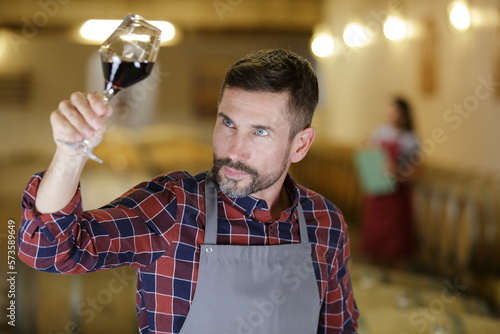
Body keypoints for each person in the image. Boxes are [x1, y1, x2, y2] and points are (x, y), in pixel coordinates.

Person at [18, 49, 359, 333]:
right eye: (228, 123)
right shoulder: (174, 208)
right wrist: (69, 154)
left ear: (300, 144)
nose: (234, 150)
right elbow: (46, 249)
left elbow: (338, 327)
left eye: (259, 133)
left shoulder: (324, 222)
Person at [360, 97, 419, 263]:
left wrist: (397, 173)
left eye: (394, 112)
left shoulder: (410, 139)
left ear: (403, 115)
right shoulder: (380, 132)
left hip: (397, 195)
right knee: (375, 235)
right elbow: (371, 155)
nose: (390, 115)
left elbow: (416, 171)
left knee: (395, 239)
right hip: (378, 192)